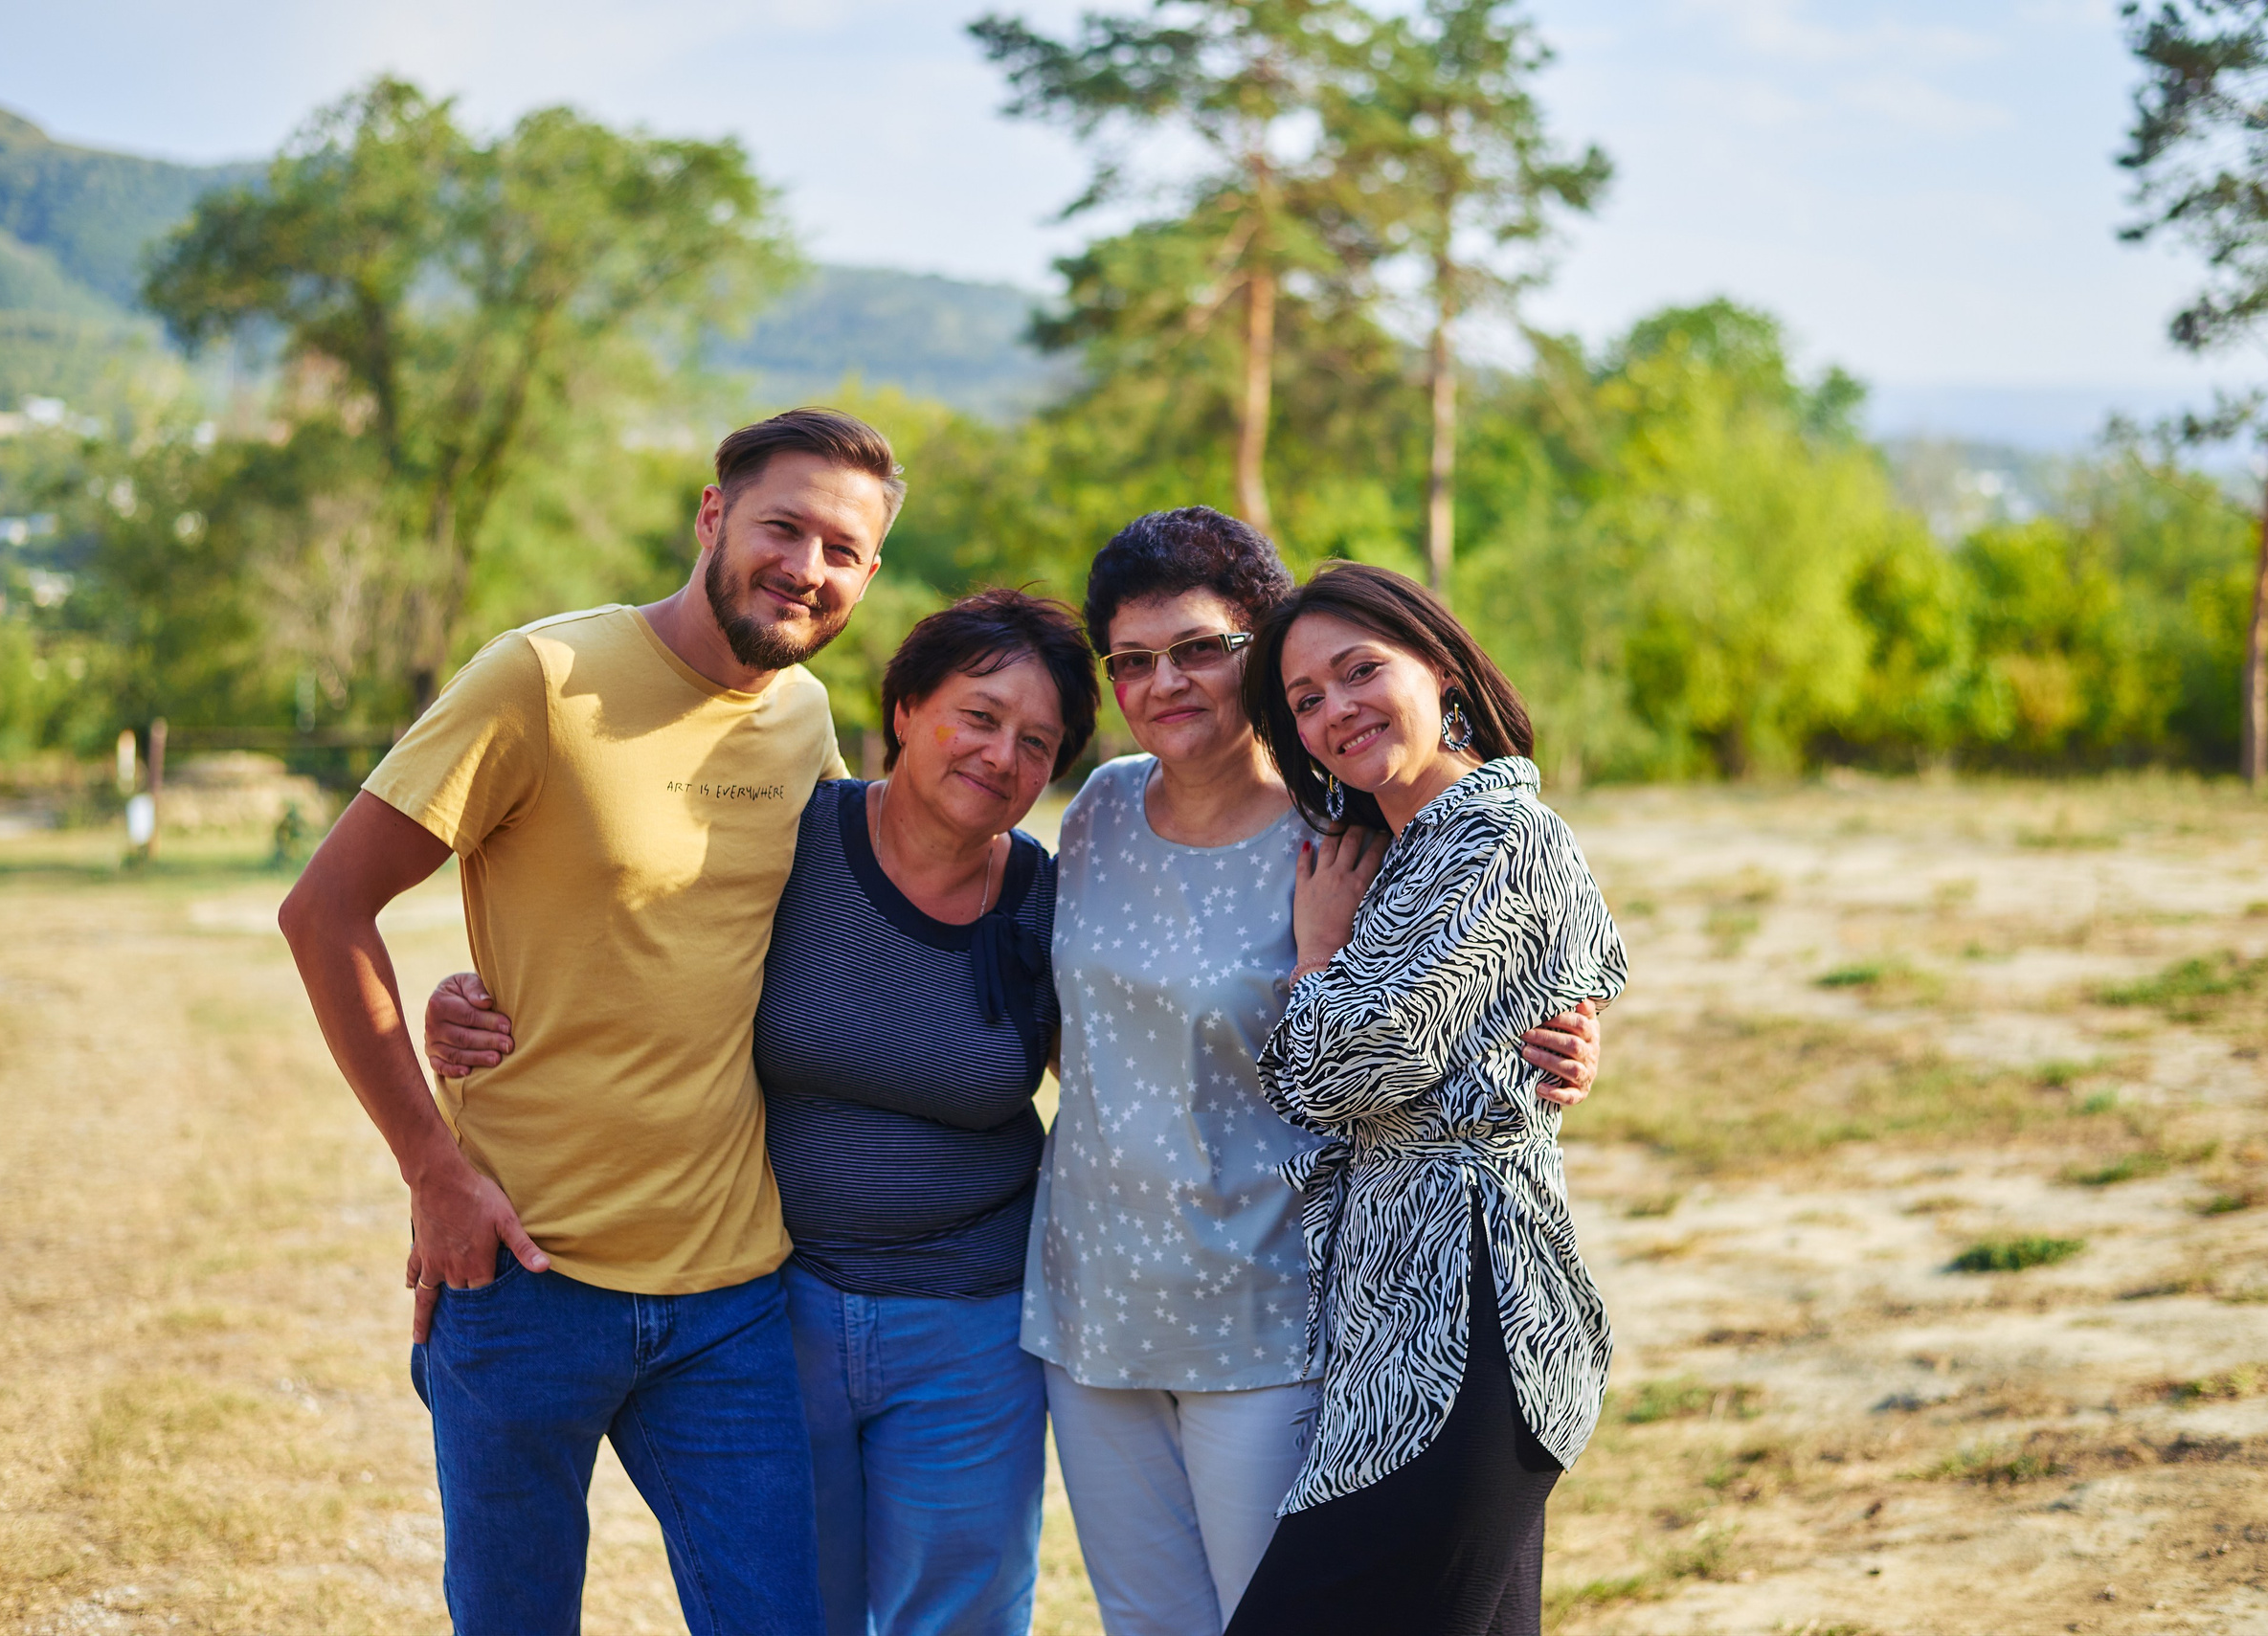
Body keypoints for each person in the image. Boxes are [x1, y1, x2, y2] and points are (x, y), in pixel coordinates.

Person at [278, 408, 904, 1636]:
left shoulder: (804, 719)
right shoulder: (543, 678)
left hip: (731, 1290)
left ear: (867, 575)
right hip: (522, 1274)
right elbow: (326, 910)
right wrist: (433, 1169)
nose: (807, 566)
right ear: (713, 515)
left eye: (843, 549)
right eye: (785, 526)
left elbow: (795, 956)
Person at [427, 592, 1099, 1636]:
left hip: (969, 1324)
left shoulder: (1046, 900)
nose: (1000, 753)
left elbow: (1125, 1066)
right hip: (778, 1303)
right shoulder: (797, 834)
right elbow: (638, 939)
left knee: (958, 1616)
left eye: (1036, 741)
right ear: (909, 708)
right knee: (796, 1611)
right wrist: (470, 1012)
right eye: (978, 714)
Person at [1023, 511, 1606, 1636]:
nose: (1166, 680)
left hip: (1278, 1302)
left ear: (1257, 647)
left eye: (1200, 647)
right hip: (1092, 1305)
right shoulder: (1094, 811)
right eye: (1134, 660)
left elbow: (1469, 990)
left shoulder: (1344, 830)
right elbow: (1077, 1025)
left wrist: (1564, 1039)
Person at [1223, 561, 1628, 1636]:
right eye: (1304, 700)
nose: (1334, 709)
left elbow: (1337, 1069)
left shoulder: (1495, 834)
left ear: (1440, 665)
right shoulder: (1405, 851)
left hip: (1464, 1330)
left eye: (1360, 671)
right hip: (1396, 1328)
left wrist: (1316, 955)